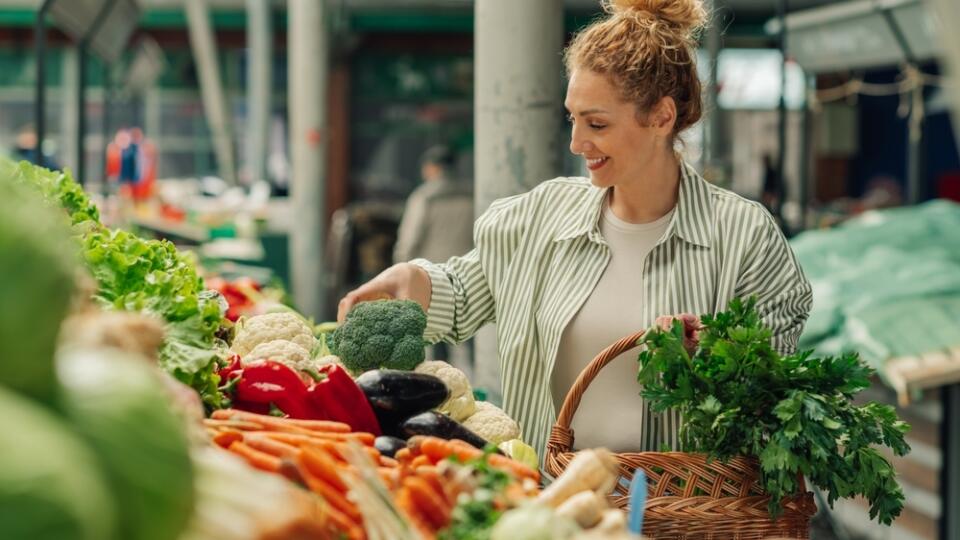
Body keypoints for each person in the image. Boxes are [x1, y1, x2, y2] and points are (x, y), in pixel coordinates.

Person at [338, 0, 812, 457]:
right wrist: (413, 279)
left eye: (597, 124)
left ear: (662, 117)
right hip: (552, 502)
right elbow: (462, 293)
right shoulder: (540, 216)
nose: (577, 141)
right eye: (573, 118)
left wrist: (718, 350)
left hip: (682, 515)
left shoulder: (745, 237)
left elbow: (779, 393)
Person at [393, 145, 475, 363]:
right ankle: (478, 379)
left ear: (431, 168)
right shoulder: (472, 195)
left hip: (434, 275)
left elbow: (409, 240)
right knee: (471, 331)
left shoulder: (425, 198)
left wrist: (400, 269)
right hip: (468, 273)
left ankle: (447, 385)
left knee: (439, 335)